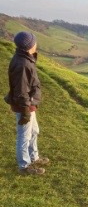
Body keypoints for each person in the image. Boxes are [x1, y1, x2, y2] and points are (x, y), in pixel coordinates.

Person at [7, 31, 49, 175]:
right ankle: (24, 166)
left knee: (34, 131)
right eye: (34, 42)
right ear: (29, 45)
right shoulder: (23, 64)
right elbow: (21, 91)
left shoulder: (25, 58)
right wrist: (25, 111)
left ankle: (34, 157)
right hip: (25, 105)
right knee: (24, 136)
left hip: (29, 104)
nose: (36, 44)